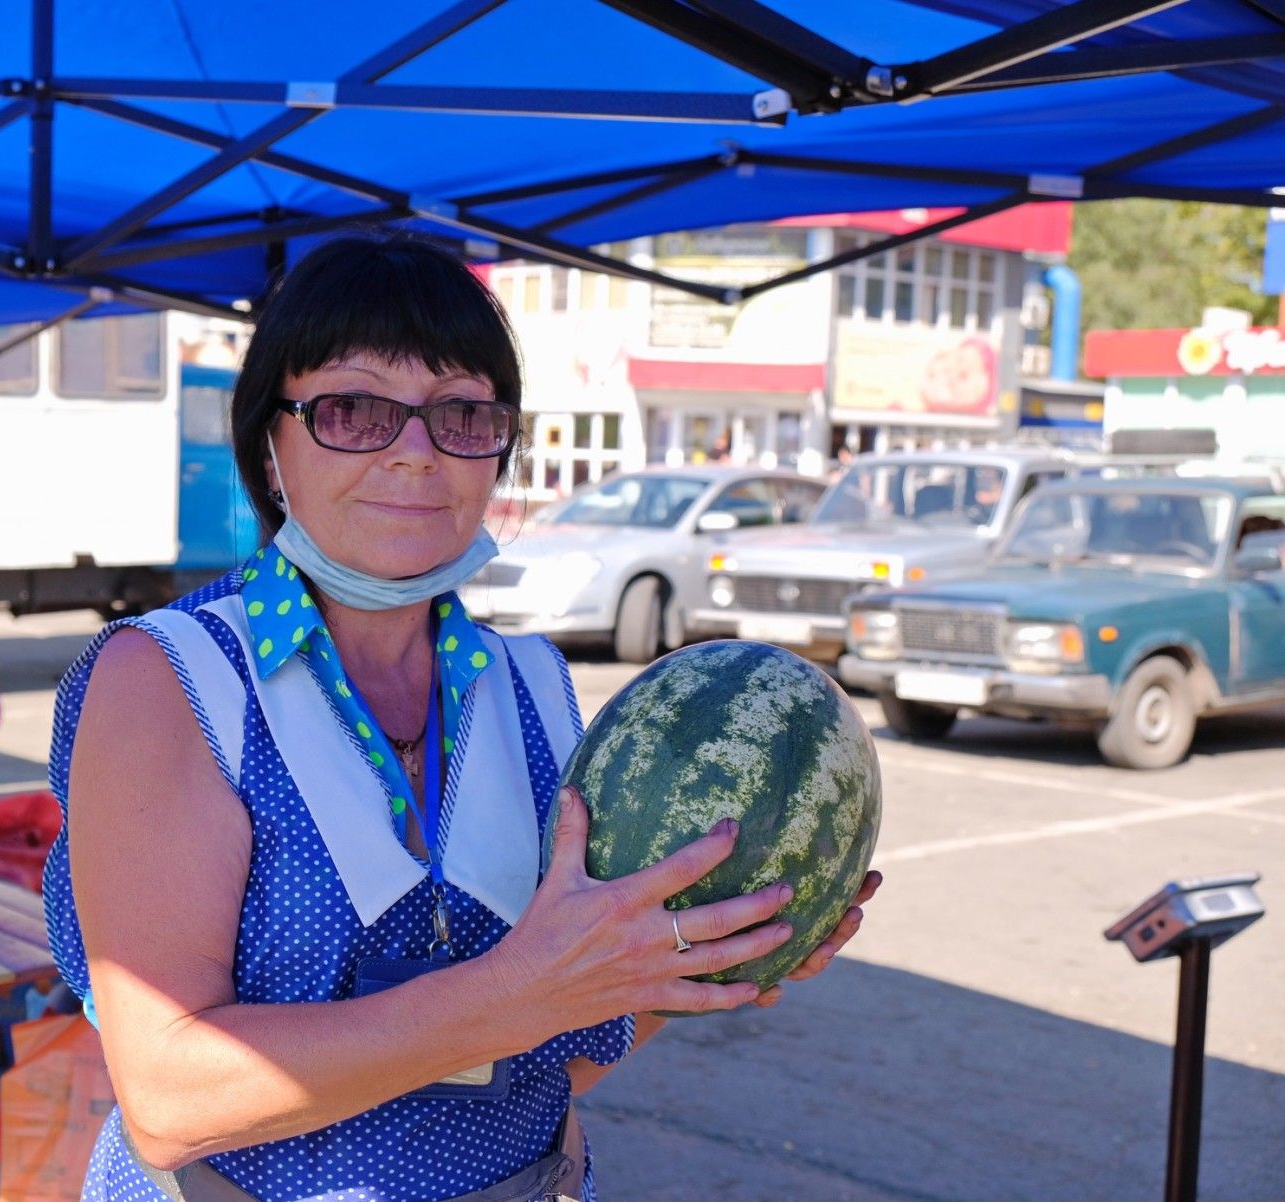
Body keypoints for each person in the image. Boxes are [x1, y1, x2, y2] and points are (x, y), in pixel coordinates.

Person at [45, 235, 881, 1202]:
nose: (415, 452)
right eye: (354, 410)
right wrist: (511, 993)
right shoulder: (173, 677)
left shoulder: (530, 685)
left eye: (462, 414)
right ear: (270, 448)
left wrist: (701, 961)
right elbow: (169, 1097)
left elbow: (564, 1050)